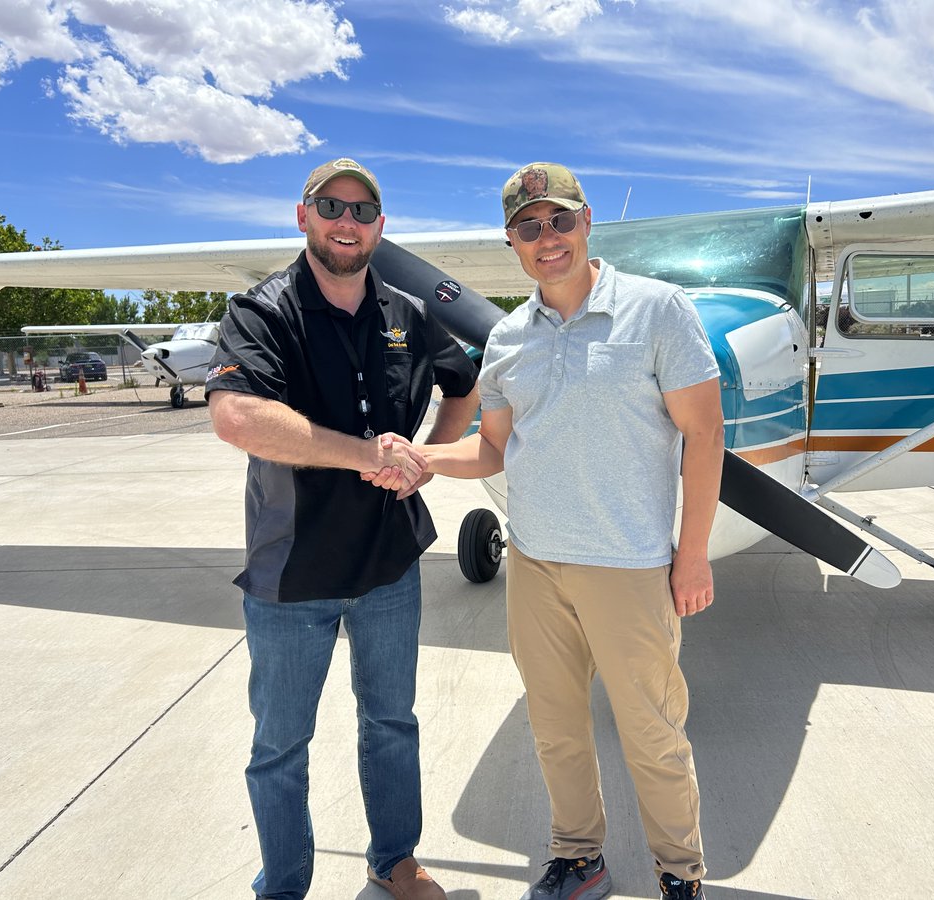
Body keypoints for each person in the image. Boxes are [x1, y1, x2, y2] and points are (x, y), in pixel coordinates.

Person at [408, 162, 724, 900]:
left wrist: (694, 556)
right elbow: (490, 449)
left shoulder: (658, 309)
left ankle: (680, 872)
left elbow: (704, 436)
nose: (546, 238)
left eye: (559, 220)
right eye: (529, 226)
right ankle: (579, 857)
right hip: (535, 564)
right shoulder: (511, 339)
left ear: (586, 223)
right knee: (555, 730)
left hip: (630, 564)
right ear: (513, 243)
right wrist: (421, 455)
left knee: (652, 734)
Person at [206, 157, 480, 900]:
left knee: (392, 723)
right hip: (292, 574)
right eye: (332, 206)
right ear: (304, 217)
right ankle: (286, 884)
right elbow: (237, 416)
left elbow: (466, 381)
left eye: (363, 211)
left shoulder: (409, 316)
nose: (347, 222)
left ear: (380, 228)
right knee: (280, 747)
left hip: (389, 566)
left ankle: (394, 859)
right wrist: (369, 455)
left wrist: (425, 457)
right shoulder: (261, 313)